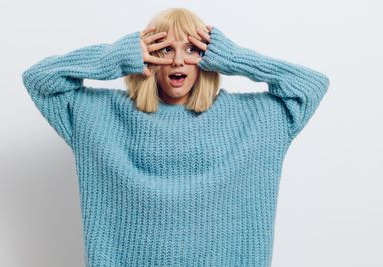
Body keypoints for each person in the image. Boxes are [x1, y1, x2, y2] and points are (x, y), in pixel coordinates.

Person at [21, 7, 330, 267]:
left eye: (192, 50)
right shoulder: (100, 115)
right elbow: (39, 80)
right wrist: (117, 56)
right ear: (147, 55)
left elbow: (311, 85)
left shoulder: (253, 118)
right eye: (165, 49)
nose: (178, 61)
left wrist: (235, 58)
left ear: (210, 59)